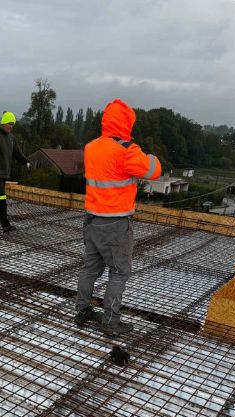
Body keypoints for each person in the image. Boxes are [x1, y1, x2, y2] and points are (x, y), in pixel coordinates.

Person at [75, 98, 162, 335]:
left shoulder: (91, 147)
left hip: (91, 220)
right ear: (126, 123)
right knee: (119, 272)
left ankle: (82, 310)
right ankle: (111, 321)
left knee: (90, 269)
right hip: (115, 224)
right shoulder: (127, 151)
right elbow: (154, 170)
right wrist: (151, 155)